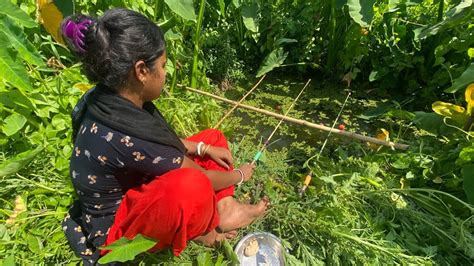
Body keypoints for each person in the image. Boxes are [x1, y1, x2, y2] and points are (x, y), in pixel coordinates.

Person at [60, 8, 269, 265]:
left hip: (133, 181)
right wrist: (240, 175)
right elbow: (198, 175)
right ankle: (203, 230)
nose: (165, 72)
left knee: (212, 138)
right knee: (193, 187)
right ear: (141, 71)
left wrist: (202, 148)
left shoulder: (103, 99)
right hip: (120, 228)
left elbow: (155, 149)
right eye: (162, 65)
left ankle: (224, 208)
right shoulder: (125, 132)